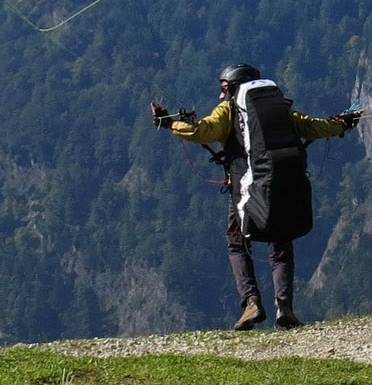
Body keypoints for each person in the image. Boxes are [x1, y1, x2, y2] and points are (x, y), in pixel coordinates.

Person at [151, 63, 360, 330]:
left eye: (224, 89)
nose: (221, 95)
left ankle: (251, 303)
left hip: (246, 190)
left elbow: (202, 131)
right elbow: (312, 127)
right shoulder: (279, 109)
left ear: (234, 87)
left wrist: (169, 123)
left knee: (237, 243)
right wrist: (342, 124)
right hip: (283, 185)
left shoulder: (229, 110)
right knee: (281, 244)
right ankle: (284, 306)